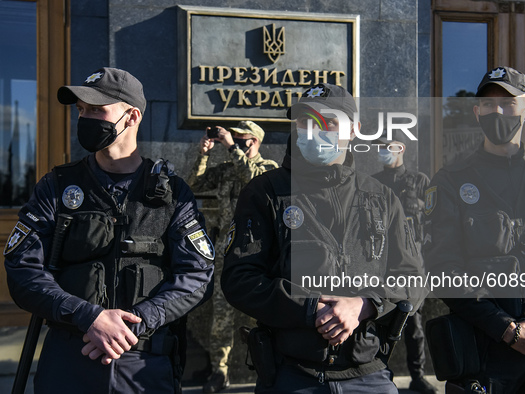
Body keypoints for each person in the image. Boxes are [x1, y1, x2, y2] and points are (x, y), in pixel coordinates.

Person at [3, 67, 214, 394]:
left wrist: (134, 322)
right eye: (81, 110)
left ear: (132, 117)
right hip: (70, 360)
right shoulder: (58, 186)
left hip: (144, 365)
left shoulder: (172, 193)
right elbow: (22, 268)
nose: (85, 118)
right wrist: (89, 317)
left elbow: (197, 275)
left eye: (97, 109)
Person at [221, 83, 426, 393]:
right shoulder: (265, 192)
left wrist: (365, 304)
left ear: (354, 130)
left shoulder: (381, 197)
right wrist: (308, 307)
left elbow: (414, 278)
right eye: (306, 121)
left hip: (367, 374)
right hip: (291, 374)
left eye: (328, 122)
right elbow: (239, 278)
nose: (315, 130)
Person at [424, 66, 525, 393]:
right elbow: (443, 269)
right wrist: (507, 331)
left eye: (508, 102)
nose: (496, 111)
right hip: (485, 356)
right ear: (476, 112)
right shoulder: (450, 182)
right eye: (488, 104)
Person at [186, 120, 278, 392]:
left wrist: (229, 147)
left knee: (260, 317)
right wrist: (203, 154)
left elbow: (252, 180)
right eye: (233, 137)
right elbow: (193, 184)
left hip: (259, 256)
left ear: (255, 141)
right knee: (221, 318)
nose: (236, 142)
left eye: (242, 138)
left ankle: (268, 370)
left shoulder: (269, 169)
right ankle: (220, 372)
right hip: (227, 253)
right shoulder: (226, 169)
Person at [373, 137, 436, 394]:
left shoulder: (420, 182)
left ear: (401, 149)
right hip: (381, 263)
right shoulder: (373, 182)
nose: (384, 152)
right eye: (380, 148)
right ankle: (378, 373)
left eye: (389, 147)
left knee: (414, 324)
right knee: (377, 319)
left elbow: (434, 222)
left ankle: (418, 376)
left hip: (413, 264)